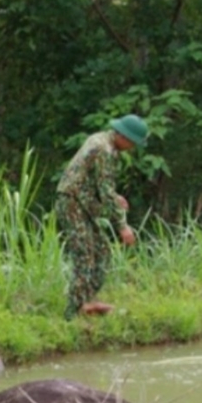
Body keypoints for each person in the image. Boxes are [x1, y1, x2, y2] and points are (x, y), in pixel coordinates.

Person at [55, 114, 149, 318]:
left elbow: (93, 180)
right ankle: (73, 314)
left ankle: (87, 302)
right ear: (123, 136)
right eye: (132, 142)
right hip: (72, 203)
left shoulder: (100, 139)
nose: (132, 147)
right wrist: (122, 226)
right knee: (85, 255)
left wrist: (115, 197)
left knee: (102, 251)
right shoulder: (104, 150)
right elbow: (104, 191)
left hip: (82, 202)